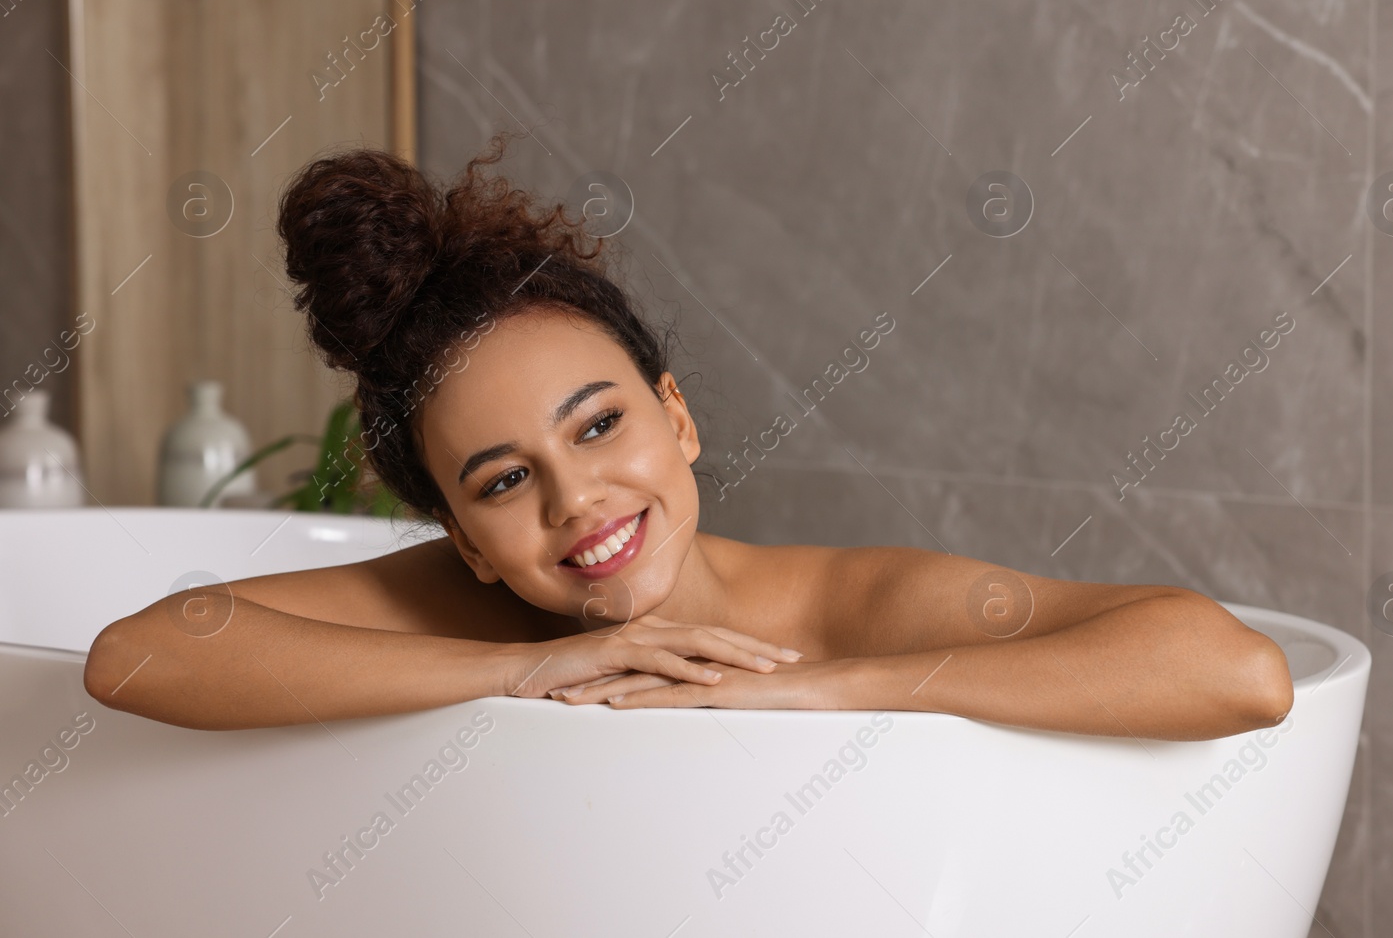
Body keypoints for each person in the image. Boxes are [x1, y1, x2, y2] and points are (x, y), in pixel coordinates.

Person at [84, 137, 1293, 740]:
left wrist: (827, 692)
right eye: (504, 481)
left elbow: (1235, 668)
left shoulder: (838, 611)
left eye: (600, 423)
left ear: (677, 413)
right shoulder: (473, 611)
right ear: (463, 539)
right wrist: (520, 671)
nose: (577, 503)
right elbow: (139, 656)